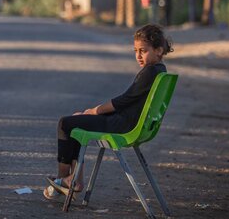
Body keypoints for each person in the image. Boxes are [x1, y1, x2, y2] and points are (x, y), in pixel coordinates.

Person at [44, 23, 173, 200]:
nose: (138, 56)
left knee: (65, 123)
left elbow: (123, 101)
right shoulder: (160, 71)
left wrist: (95, 111)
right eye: (135, 51)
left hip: (121, 125)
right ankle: (73, 179)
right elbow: (129, 101)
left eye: (143, 51)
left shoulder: (149, 72)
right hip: (128, 123)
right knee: (76, 119)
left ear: (158, 50)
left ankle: (63, 179)